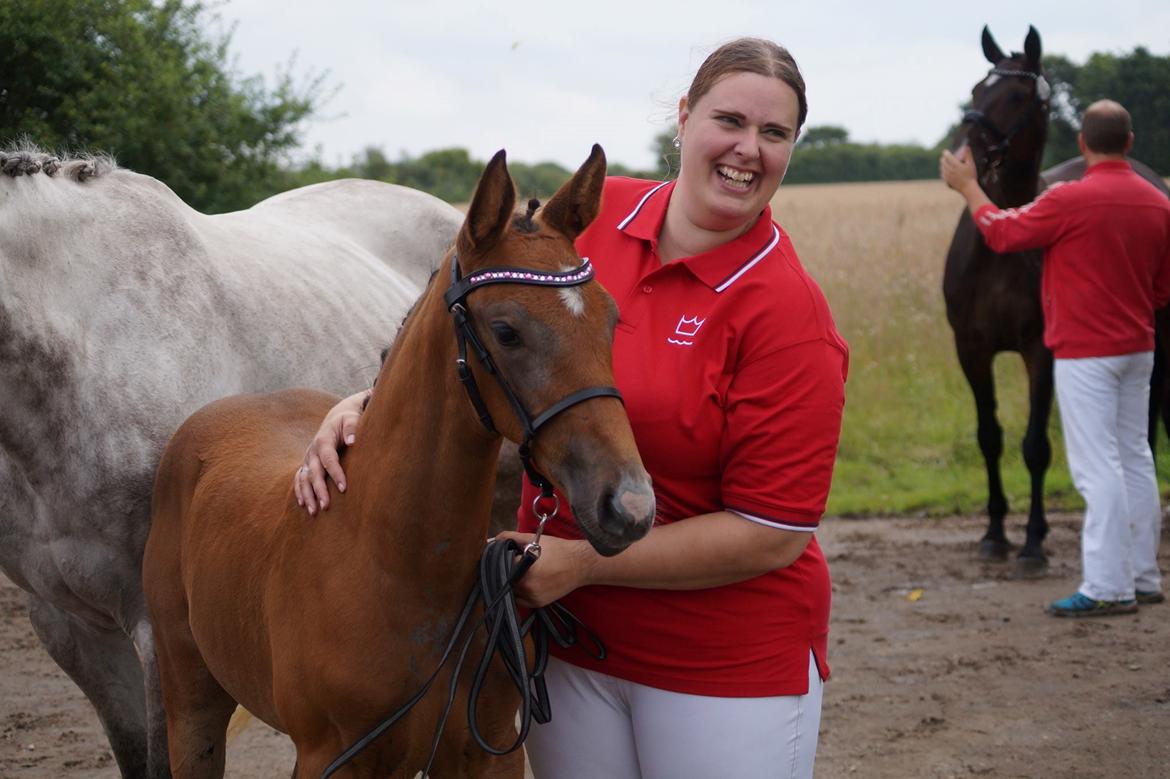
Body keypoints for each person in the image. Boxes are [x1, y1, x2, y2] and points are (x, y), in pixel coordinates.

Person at [296, 37, 847, 778]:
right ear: (683, 118)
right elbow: (498, 342)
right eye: (730, 121)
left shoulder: (786, 311)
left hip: (720, 662)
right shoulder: (593, 219)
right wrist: (363, 405)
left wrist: (583, 563)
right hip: (565, 639)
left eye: (774, 133)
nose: (747, 149)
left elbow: (771, 534)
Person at [941, 99, 1170, 617]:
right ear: (1130, 144)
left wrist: (967, 187)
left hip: (1085, 353)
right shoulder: (1160, 204)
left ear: (1083, 145)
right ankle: (1143, 575)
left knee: (1097, 469)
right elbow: (1162, 291)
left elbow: (1000, 231)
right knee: (1136, 456)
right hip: (1138, 349)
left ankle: (1108, 587)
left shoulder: (1069, 200)